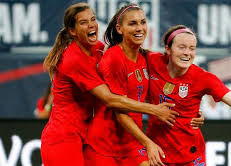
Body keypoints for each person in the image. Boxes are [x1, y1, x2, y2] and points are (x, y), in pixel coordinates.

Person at [41, 3, 178, 166]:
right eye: (83, 22)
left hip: (87, 133)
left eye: (93, 19)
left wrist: (190, 110)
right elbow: (110, 100)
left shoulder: (97, 49)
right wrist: (154, 110)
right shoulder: (74, 59)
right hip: (63, 137)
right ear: (72, 31)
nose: (91, 24)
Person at [131, 25, 231, 166]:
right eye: (181, 47)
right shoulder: (152, 60)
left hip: (190, 156)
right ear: (168, 49)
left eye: (192, 48)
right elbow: (126, 46)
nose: (187, 53)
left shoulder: (203, 78)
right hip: (157, 152)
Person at [84, 4, 203, 166]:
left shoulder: (145, 58)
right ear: (120, 29)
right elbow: (119, 109)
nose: (140, 28)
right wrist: (148, 140)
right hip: (105, 144)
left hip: (132, 142)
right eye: (132, 24)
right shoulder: (114, 58)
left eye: (143, 22)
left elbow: (165, 88)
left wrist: (192, 112)